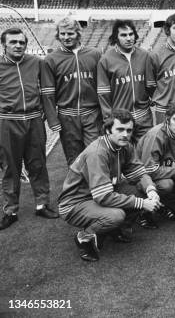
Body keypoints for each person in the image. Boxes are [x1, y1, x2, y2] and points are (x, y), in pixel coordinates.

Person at [58, 109, 161, 261]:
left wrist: (151, 190)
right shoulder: (98, 152)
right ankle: (84, 237)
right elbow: (103, 197)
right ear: (107, 130)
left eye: (128, 130)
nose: (125, 134)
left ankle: (114, 230)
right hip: (76, 203)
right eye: (119, 129)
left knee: (142, 190)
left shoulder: (125, 145)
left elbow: (139, 173)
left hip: (100, 194)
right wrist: (142, 203)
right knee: (116, 215)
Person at [0, 28, 58, 230]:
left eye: (21, 42)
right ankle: (10, 210)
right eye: (13, 42)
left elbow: (47, 89)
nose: (18, 45)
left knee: (38, 164)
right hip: (8, 121)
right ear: (4, 45)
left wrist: (45, 112)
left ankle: (42, 204)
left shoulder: (36, 62)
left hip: (34, 120)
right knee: (10, 167)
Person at [41, 16, 102, 165]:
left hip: (92, 113)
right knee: (74, 157)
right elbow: (48, 93)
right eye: (62, 34)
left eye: (70, 33)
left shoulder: (94, 54)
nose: (66, 37)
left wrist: (106, 112)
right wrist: (52, 119)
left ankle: (99, 186)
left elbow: (103, 86)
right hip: (67, 116)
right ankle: (77, 187)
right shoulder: (51, 59)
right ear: (58, 35)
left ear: (78, 34)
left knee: (96, 153)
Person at [136, 101, 175, 227]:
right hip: (143, 177)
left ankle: (166, 206)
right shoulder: (156, 135)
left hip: (167, 169)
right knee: (166, 185)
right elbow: (149, 170)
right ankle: (144, 212)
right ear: (167, 119)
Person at [97, 19, 156, 141]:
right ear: (116, 37)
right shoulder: (106, 60)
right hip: (121, 119)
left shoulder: (144, 55)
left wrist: (153, 98)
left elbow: (151, 85)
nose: (128, 38)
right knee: (123, 156)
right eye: (123, 35)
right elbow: (103, 94)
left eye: (131, 34)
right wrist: (109, 119)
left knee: (145, 153)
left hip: (144, 116)